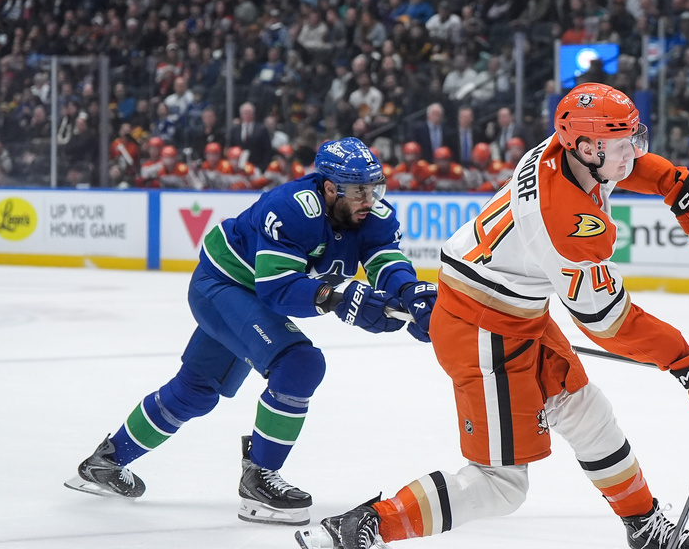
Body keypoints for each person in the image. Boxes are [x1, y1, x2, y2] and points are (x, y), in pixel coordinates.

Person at [295, 83, 689, 549]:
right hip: (482, 328)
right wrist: (687, 362)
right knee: (501, 482)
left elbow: (626, 167)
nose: (633, 151)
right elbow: (607, 322)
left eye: (632, 137)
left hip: (512, 309)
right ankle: (359, 526)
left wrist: (673, 182)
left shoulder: (561, 150)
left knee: (584, 410)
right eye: (621, 143)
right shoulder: (567, 223)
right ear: (587, 147)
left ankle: (642, 524)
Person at [65, 137, 438, 527]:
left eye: (375, 187)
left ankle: (105, 462)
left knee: (196, 391)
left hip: (245, 293)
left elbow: (385, 260)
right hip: (223, 285)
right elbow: (276, 290)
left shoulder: (372, 214)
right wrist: (335, 297)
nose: (370, 199)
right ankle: (258, 479)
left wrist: (409, 291)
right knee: (300, 364)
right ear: (330, 188)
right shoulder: (291, 208)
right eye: (359, 190)